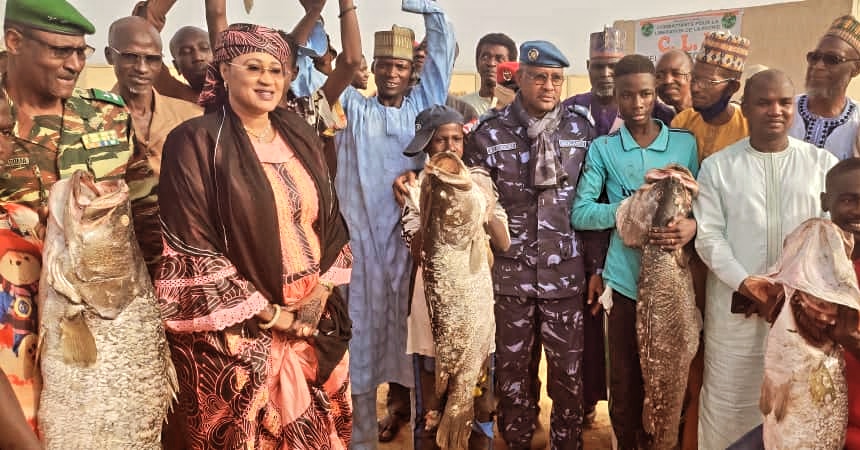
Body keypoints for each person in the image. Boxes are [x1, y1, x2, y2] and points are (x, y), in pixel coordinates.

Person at [155, 23, 353, 449]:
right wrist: (272, 316)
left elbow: (330, 219)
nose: (267, 79)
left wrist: (319, 293)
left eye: (276, 70)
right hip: (240, 333)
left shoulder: (300, 133)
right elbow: (192, 246)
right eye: (254, 67)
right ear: (224, 71)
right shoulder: (194, 142)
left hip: (312, 320)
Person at [0, 0, 136, 431]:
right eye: (60, 51)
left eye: (81, 51)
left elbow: (145, 206)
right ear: (14, 41)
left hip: (95, 317)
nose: (75, 64)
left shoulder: (108, 115)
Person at [693, 69, 838, 449]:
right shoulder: (718, 167)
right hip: (735, 314)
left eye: (784, 102)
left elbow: (829, 237)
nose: (775, 111)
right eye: (764, 102)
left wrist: (798, 293)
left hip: (800, 316)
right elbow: (708, 237)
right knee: (728, 407)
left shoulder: (821, 165)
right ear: (745, 108)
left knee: (793, 410)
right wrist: (747, 283)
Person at [465, 40, 597, 450]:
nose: (549, 86)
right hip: (510, 276)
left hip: (565, 276)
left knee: (568, 376)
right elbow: (475, 203)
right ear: (520, 78)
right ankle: (518, 440)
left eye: (556, 78)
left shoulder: (580, 130)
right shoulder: (489, 133)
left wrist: (595, 267)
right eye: (539, 77)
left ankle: (566, 444)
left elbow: (593, 200)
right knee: (513, 374)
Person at [334, 1, 455, 448]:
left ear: (410, 72)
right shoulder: (351, 109)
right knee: (360, 347)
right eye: (384, 64)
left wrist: (429, 12)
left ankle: (426, 437)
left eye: (400, 66)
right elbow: (314, 75)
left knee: (418, 349)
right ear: (373, 67)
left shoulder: (423, 110)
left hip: (410, 252)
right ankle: (361, 440)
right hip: (361, 253)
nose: (391, 73)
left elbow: (441, 55)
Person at [571, 54, 699, 448]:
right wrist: (630, 210)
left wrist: (694, 227)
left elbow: (706, 204)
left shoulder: (684, 142)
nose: (637, 103)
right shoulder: (604, 148)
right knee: (624, 386)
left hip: (674, 286)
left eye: (645, 93)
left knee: (670, 381)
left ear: (655, 92)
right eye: (627, 95)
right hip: (625, 283)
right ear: (616, 97)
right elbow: (581, 212)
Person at [398, 105, 509, 450]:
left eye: (456, 139)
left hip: (476, 320)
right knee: (430, 414)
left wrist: (484, 207)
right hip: (432, 320)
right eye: (439, 140)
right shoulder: (416, 188)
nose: (449, 146)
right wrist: (429, 206)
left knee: (479, 407)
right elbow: (416, 249)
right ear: (426, 146)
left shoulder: (479, 184)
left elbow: (503, 242)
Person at [105, 16, 203, 278]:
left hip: (184, 256)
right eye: (130, 57)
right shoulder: (88, 119)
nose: (142, 68)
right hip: (118, 259)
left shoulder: (191, 117)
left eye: (152, 59)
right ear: (110, 56)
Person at [564, 27, 675, 136]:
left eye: (613, 66)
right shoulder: (570, 108)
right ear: (588, 66)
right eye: (598, 67)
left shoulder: (654, 111)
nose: (605, 73)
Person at [670, 32, 750, 163]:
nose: (695, 88)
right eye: (694, 78)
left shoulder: (749, 128)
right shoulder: (682, 122)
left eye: (707, 82)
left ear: (732, 87)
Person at [790, 15, 860, 160]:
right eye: (814, 57)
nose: (818, 66)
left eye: (832, 59)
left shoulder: (857, 123)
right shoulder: (784, 111)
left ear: (856, 68)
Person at [460, 33, 518, 115]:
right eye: (485, 57)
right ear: (477, 62)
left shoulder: (521, 109)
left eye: (499, 59)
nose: (491, 63)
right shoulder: (461, 106)